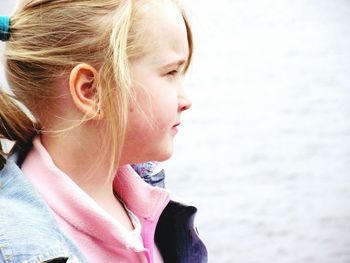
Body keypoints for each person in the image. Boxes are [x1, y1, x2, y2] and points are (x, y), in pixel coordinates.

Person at [0, 0, 208, 262]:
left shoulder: (147, 201)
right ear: (91, 91)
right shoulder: (17, 247)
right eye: (170, 72)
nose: (186, 99)